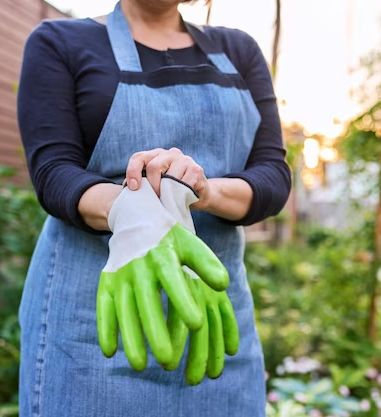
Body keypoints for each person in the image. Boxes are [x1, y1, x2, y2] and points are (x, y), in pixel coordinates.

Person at [16, 0, 291, 415]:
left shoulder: (238, 51)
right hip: (91, 327)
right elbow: (55, 174)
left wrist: (198, 191)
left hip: (211, 314)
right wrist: (133, 210)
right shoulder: (61, 41)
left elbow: (272, 176)